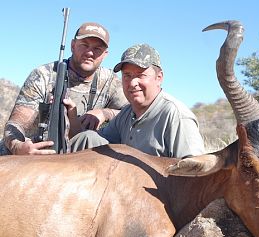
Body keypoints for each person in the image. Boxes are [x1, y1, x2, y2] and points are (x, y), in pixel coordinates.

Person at [0, 22, 127, 155]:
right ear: (73, 45)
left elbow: (133, 113)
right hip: (29, 154)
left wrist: (105, 113)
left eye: (97, 49)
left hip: (71, 158)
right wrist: (18, 147)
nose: (90, 52)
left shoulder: (110, 81)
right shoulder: (43, 75)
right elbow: (16, 123)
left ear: (105, 54)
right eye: (84, 45)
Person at [70, 43, 205, 158]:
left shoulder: (176, 115)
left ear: (159, 77)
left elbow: (196, 171)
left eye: (141, 75)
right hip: (124, 181)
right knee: (87, 138)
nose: (133, 82)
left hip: (157, 187)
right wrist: (71, 116)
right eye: (127, 75)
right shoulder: (127, 113)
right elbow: (93, 141)